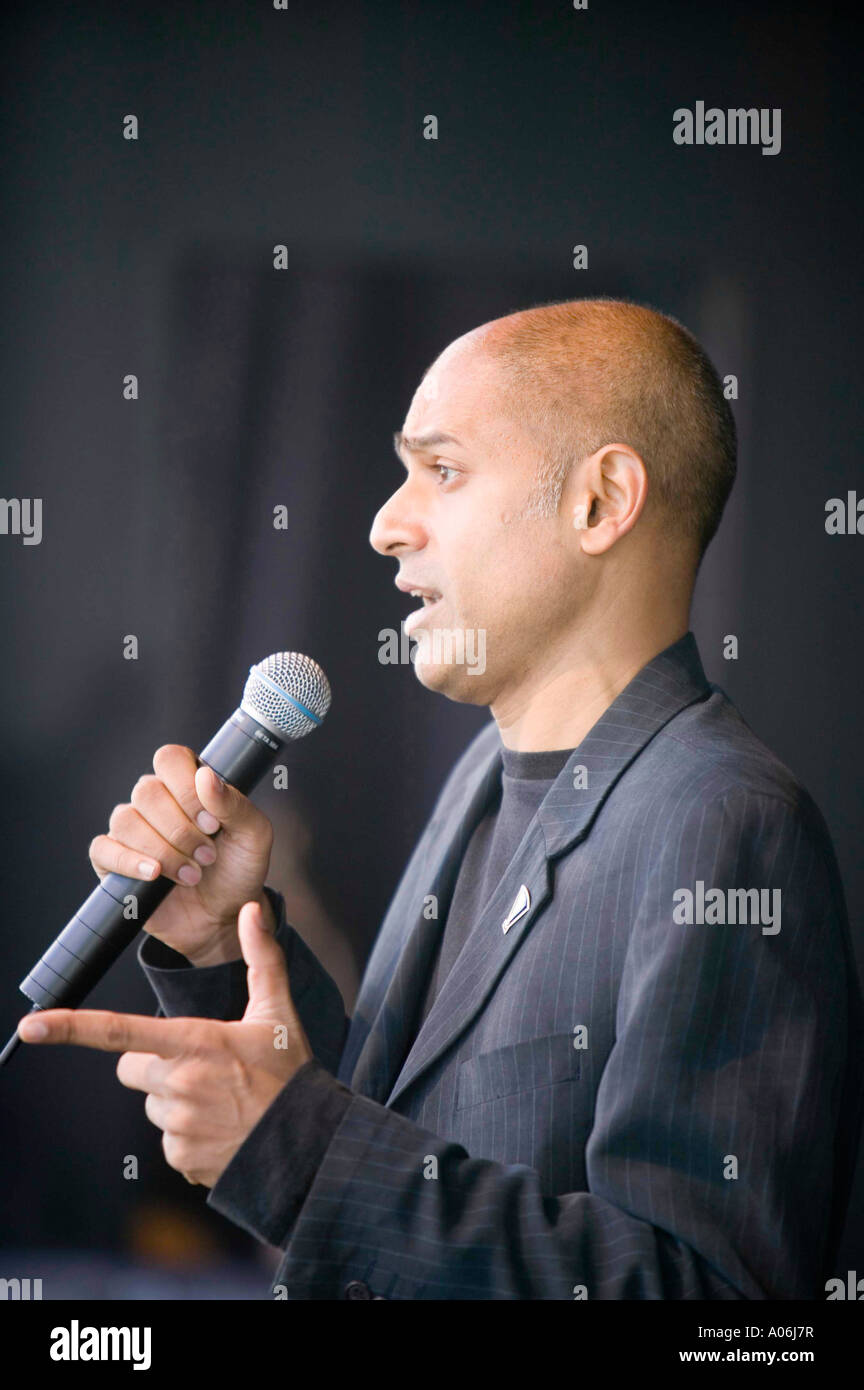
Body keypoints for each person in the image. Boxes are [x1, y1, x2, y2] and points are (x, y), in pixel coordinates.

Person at [19, 298, 864, 1300]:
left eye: (443, 468)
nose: (385, 525)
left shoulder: (728, 825)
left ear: (601, 502)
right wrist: (219, 942)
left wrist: (299, 1150)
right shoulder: (480, 775)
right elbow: (402, 1119)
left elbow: (714, 1306)